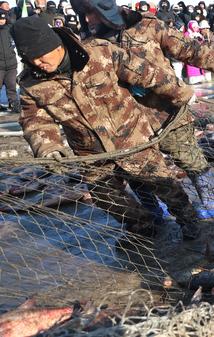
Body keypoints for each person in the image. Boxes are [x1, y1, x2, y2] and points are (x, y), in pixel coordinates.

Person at [11, 17, 201, 240]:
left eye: (41, 55)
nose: (37, 63)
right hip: (90, 152)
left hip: (132, 137)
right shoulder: (30, 83)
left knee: (163, 183)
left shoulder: (100, 53)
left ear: (56, 45)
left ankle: (189, 220)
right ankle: (141, 224)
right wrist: (47, 146)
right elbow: (34, 120)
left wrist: (182, 94)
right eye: (30, 58)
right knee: (105, 197)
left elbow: (148, 73)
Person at [70, 0, 214, 220]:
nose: (87, 19)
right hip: (125, 117)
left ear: (104, 8)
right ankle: (153, 209)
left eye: (90, 13)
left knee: (187, 156)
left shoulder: (146, 25)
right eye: (83, 14)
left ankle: (208, 199)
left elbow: (188, 49)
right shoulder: (90, 41)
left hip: (166, 109)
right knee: (135, 169)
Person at [0, 9, 20, 113]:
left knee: (11, 85)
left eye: (3, 19)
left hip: (11, 63)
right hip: (0, 65)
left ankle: (14, 103)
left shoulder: (10, 29)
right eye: (0, 19)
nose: (1, 21)